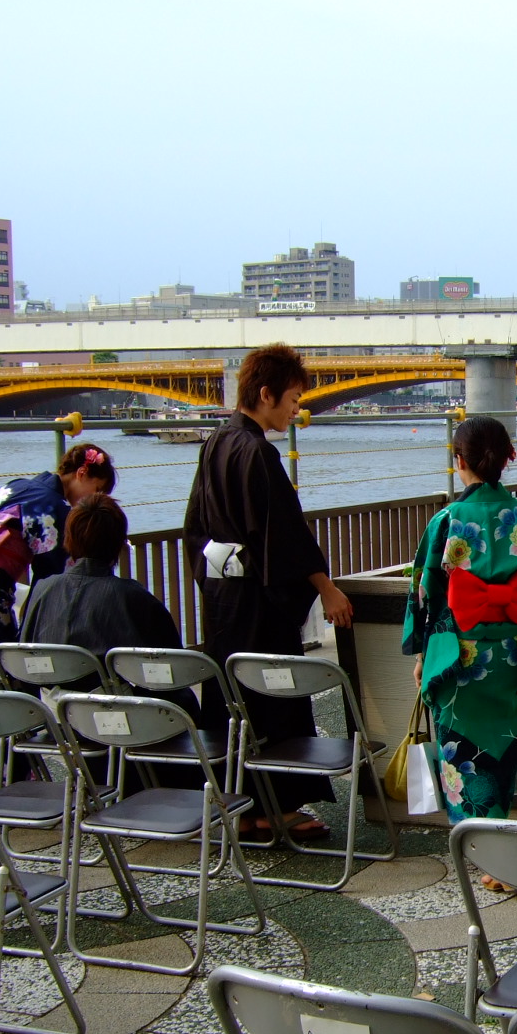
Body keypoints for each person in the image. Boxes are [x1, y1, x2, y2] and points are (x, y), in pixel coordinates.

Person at [184, 343, 353, 841]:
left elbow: (196, 526)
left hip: (224, 596)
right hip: (259, 600)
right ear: (265, 394)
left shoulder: (216, 442)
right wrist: (325, 587)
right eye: (293, 398)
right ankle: (275, 808)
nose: (296, 409)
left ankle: (244, 805)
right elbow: (283, 532)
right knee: (273, 697)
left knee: (235, 698)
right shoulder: (256, 451)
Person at [403, 415, 517, 880]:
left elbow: (426, 595)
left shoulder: (446, 521)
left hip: (459, 658)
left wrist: (423, 656)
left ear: (460, 462)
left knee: (459, 753)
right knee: (503, 752)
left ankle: (479, 849)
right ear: (508, 458)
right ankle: (497, 850)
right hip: (510, 655)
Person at [0, 441, 117, 682]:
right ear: (82, 474)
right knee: (0, 678)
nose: (95, 498)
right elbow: (52, 579)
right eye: (98, 489)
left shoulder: (19, 486)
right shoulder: (53, 507)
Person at [20, 492, 187, 692]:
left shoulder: (42, 589)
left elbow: (25, 660)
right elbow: (174, 669)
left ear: (69, 539)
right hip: (123, 716)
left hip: (60, 713)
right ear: (119, 543)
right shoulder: (133, 597)